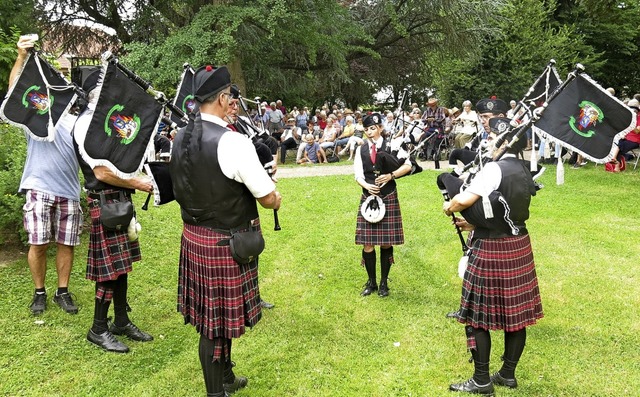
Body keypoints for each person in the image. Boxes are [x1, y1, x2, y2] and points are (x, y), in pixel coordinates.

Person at [169, 65, 282, 397]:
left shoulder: (180, 138)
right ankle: (215, 392)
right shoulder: (233, 142)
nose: (235, 102)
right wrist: (276, 196)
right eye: (232, 97)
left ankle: (227, 378)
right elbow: (266, 198)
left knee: (216, 321)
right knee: (213, 327)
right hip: (225, 243)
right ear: (220, 98)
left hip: (195, 238)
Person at [443, 124, 543, 395]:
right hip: (518, 244)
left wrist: (449, 205)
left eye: (492, 140)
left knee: (477, 317)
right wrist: (474, 225)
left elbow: (463, 199)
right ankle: (508, 374)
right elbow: (504, 209)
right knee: (516, 315)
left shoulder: (493, 169)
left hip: (491, 248)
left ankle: (481, 380)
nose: (488, 144)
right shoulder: (525, 169)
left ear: (504, 143)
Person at [73, 71, 155, 353]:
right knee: (108, 271)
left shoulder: (102, 122)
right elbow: (100, 171)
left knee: (121, 267)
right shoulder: (86, 125)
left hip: (118, 201)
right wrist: (137, 182)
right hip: (104, 200)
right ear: (94, 93)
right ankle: (98, 328)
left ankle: (120, 320)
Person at [8, 37, 83, 316]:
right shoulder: (37, 115)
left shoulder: (77, 122)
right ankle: (39, 292)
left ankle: (62, 291)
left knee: (66, 244)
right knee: (37, 244)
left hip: (70, 192)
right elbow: (15, 93)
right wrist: (20, 57)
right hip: (38, 188)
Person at [354, 113, 412, 297]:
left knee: (386, 243)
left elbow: (408, 165)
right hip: (368, 197)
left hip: (388, 195)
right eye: (366, 129)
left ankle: (384, 283)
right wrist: (366, 186)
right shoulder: (361, 149)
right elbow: (358, 175)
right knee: (367, 244)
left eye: (373, 128)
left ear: (380, 128)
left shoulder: (392, 145)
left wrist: (391, 175)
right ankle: (371, 282)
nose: (370, 132)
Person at [608, 98, 640, 172]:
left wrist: (632, 125)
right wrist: (623, 134)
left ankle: (616, 163)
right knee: (618, 142)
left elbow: (637, 131)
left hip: (635, 141)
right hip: (626, 138)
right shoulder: (629, 117)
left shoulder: (639, 119)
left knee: (620, 145)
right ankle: (615, 162)